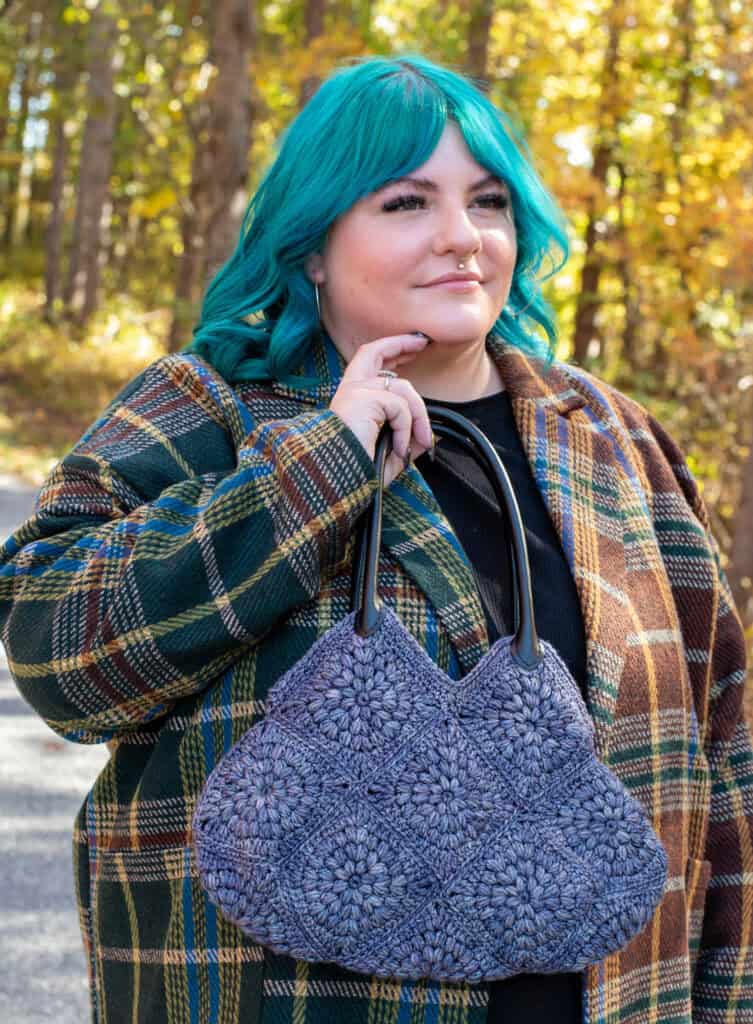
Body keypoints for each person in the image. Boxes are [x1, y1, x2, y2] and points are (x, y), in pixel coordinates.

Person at [0, 52, 750, 1024]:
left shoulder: (614, 441)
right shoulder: (211, 410)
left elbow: (728, 750)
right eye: (406, 203)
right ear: (312, 245)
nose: (462, 238)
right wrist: (323, 464)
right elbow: (58, 648)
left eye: (488, 203)